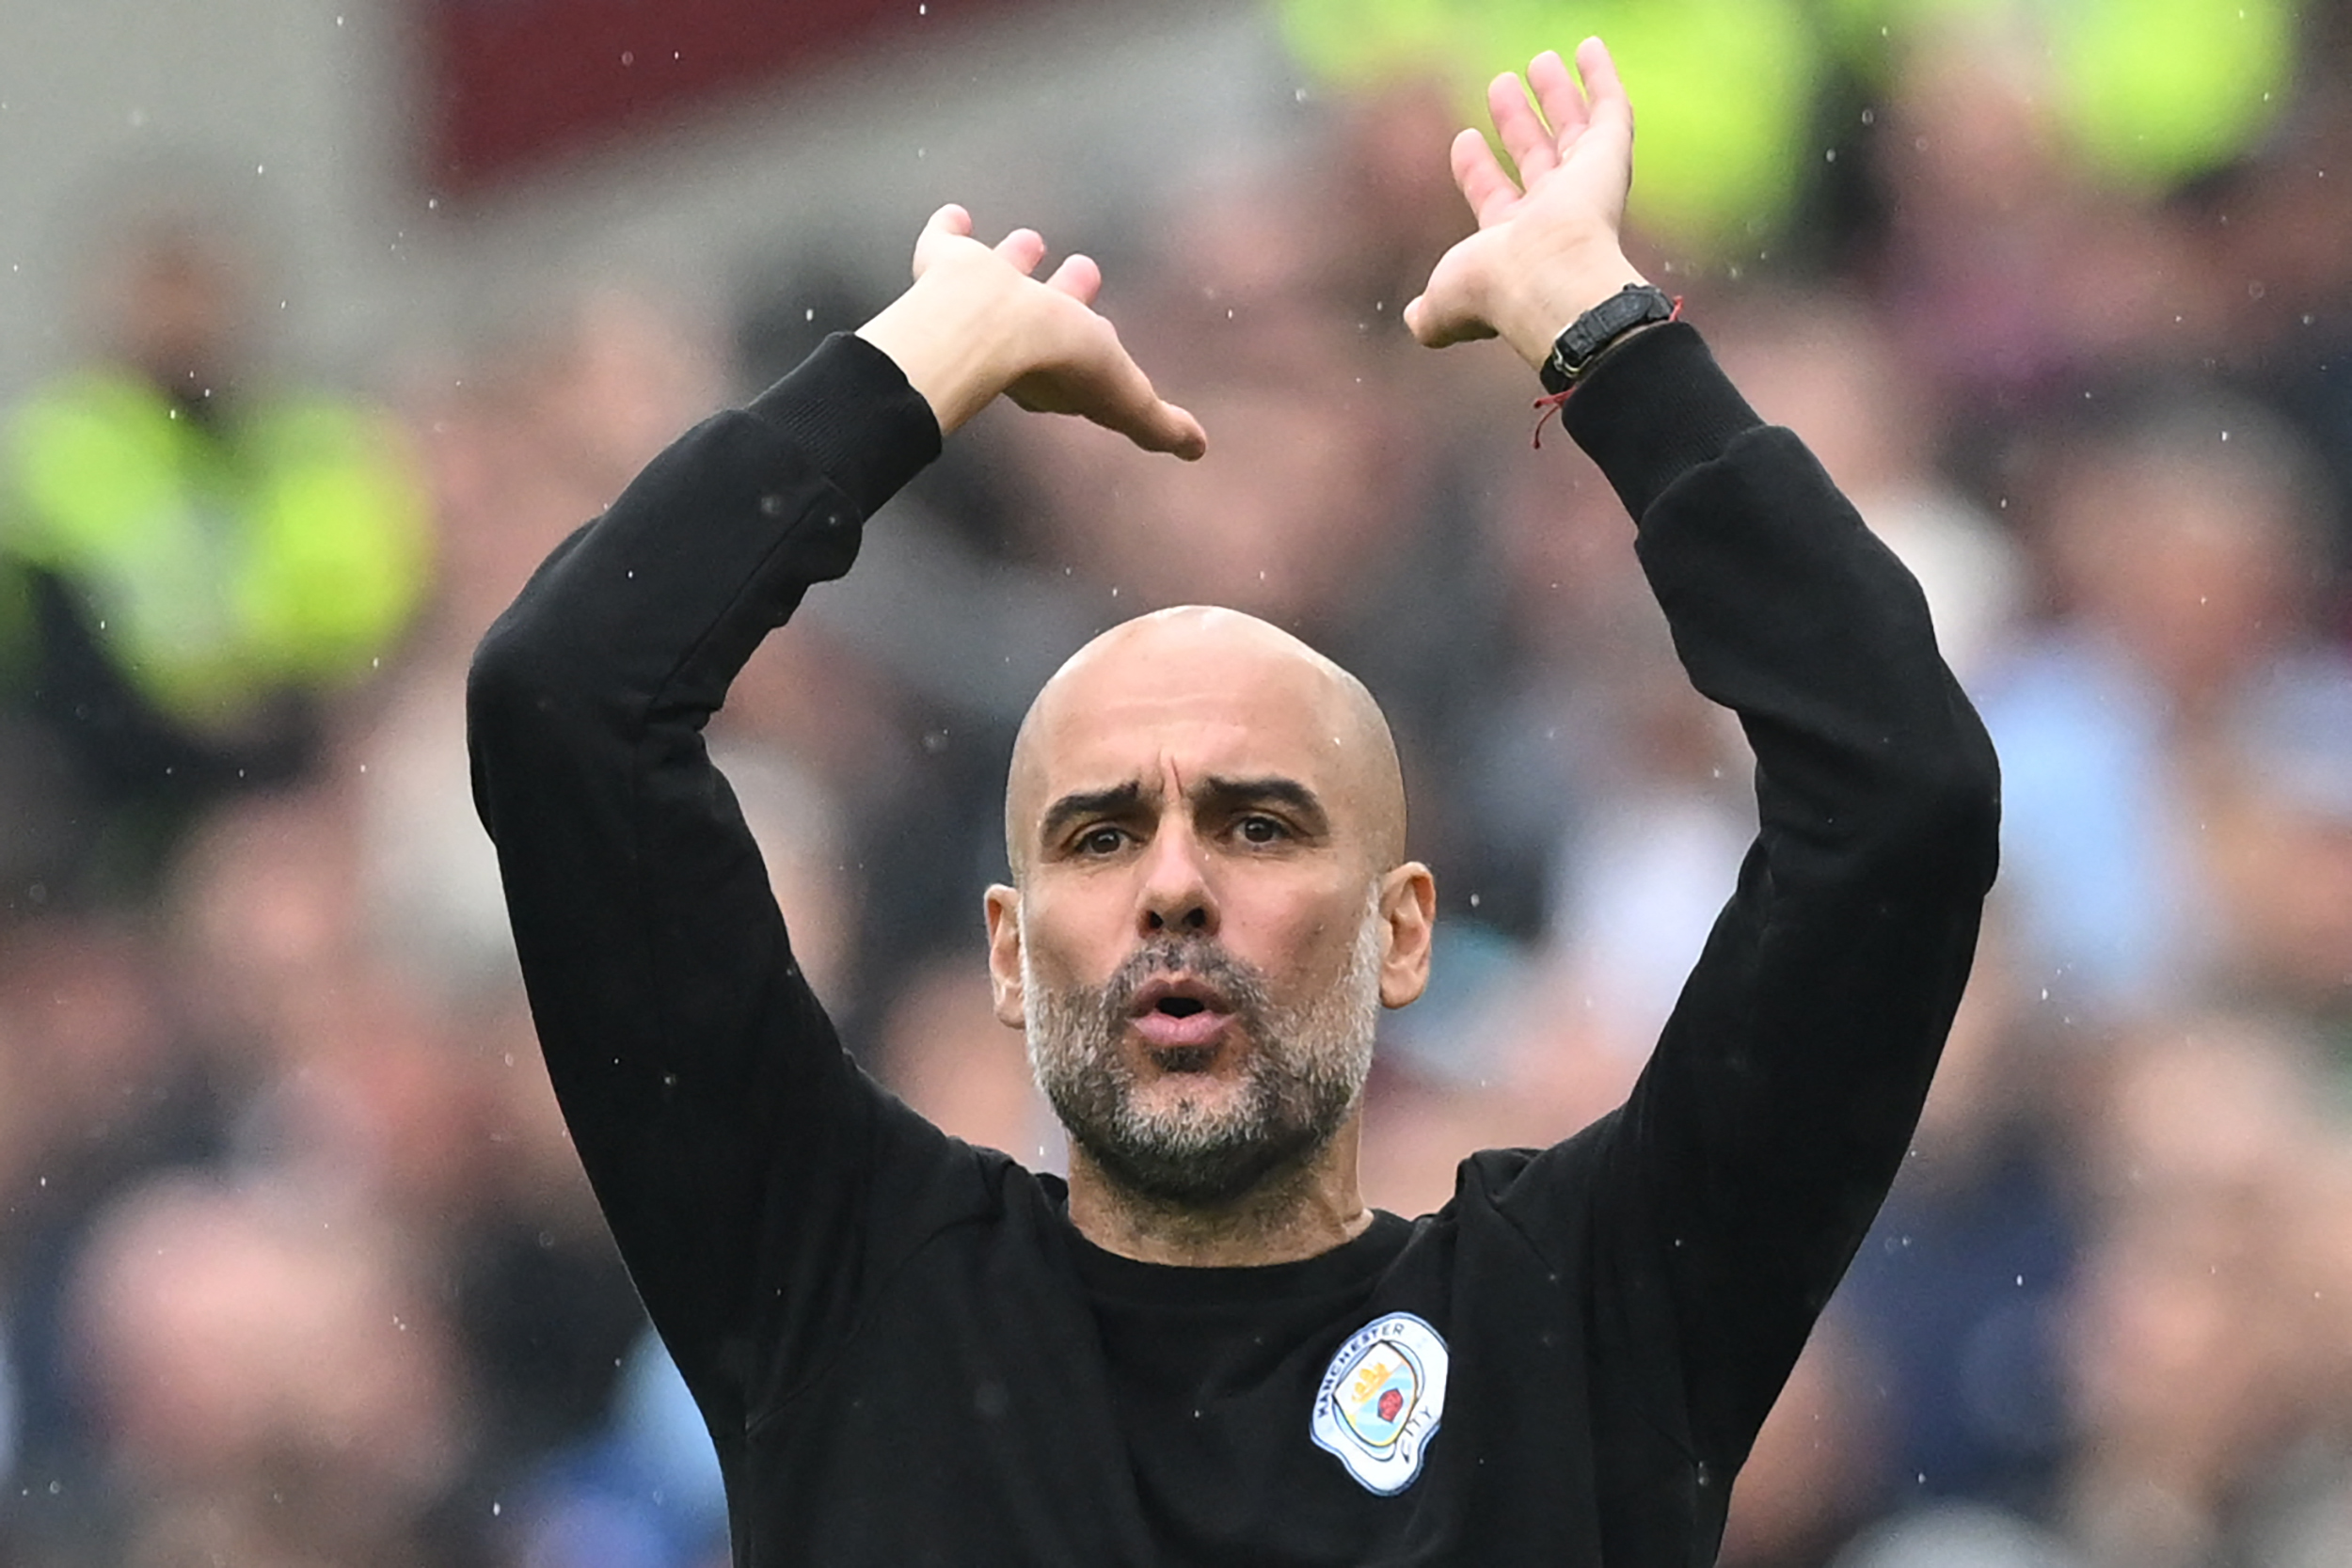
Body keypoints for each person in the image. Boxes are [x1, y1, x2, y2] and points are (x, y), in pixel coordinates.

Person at [468, 40, 2000, 1567]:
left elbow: (1902, 795)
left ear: (1406, 933)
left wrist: (1612, 345)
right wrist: (913, 367)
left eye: (1260, 823)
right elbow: (566, 707)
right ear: (1005, 952)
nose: (1176, 882)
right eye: (1101, 833)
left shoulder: (1578, 1318)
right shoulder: (848, 1291)